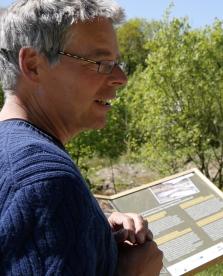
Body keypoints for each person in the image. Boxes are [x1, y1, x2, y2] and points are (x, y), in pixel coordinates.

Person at [0, 0, 163, 275]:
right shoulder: (46, 180)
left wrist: (95, 227)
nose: (120, 77)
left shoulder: (16, 158)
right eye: (101, 63)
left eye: (117, 63)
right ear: (33, 65)